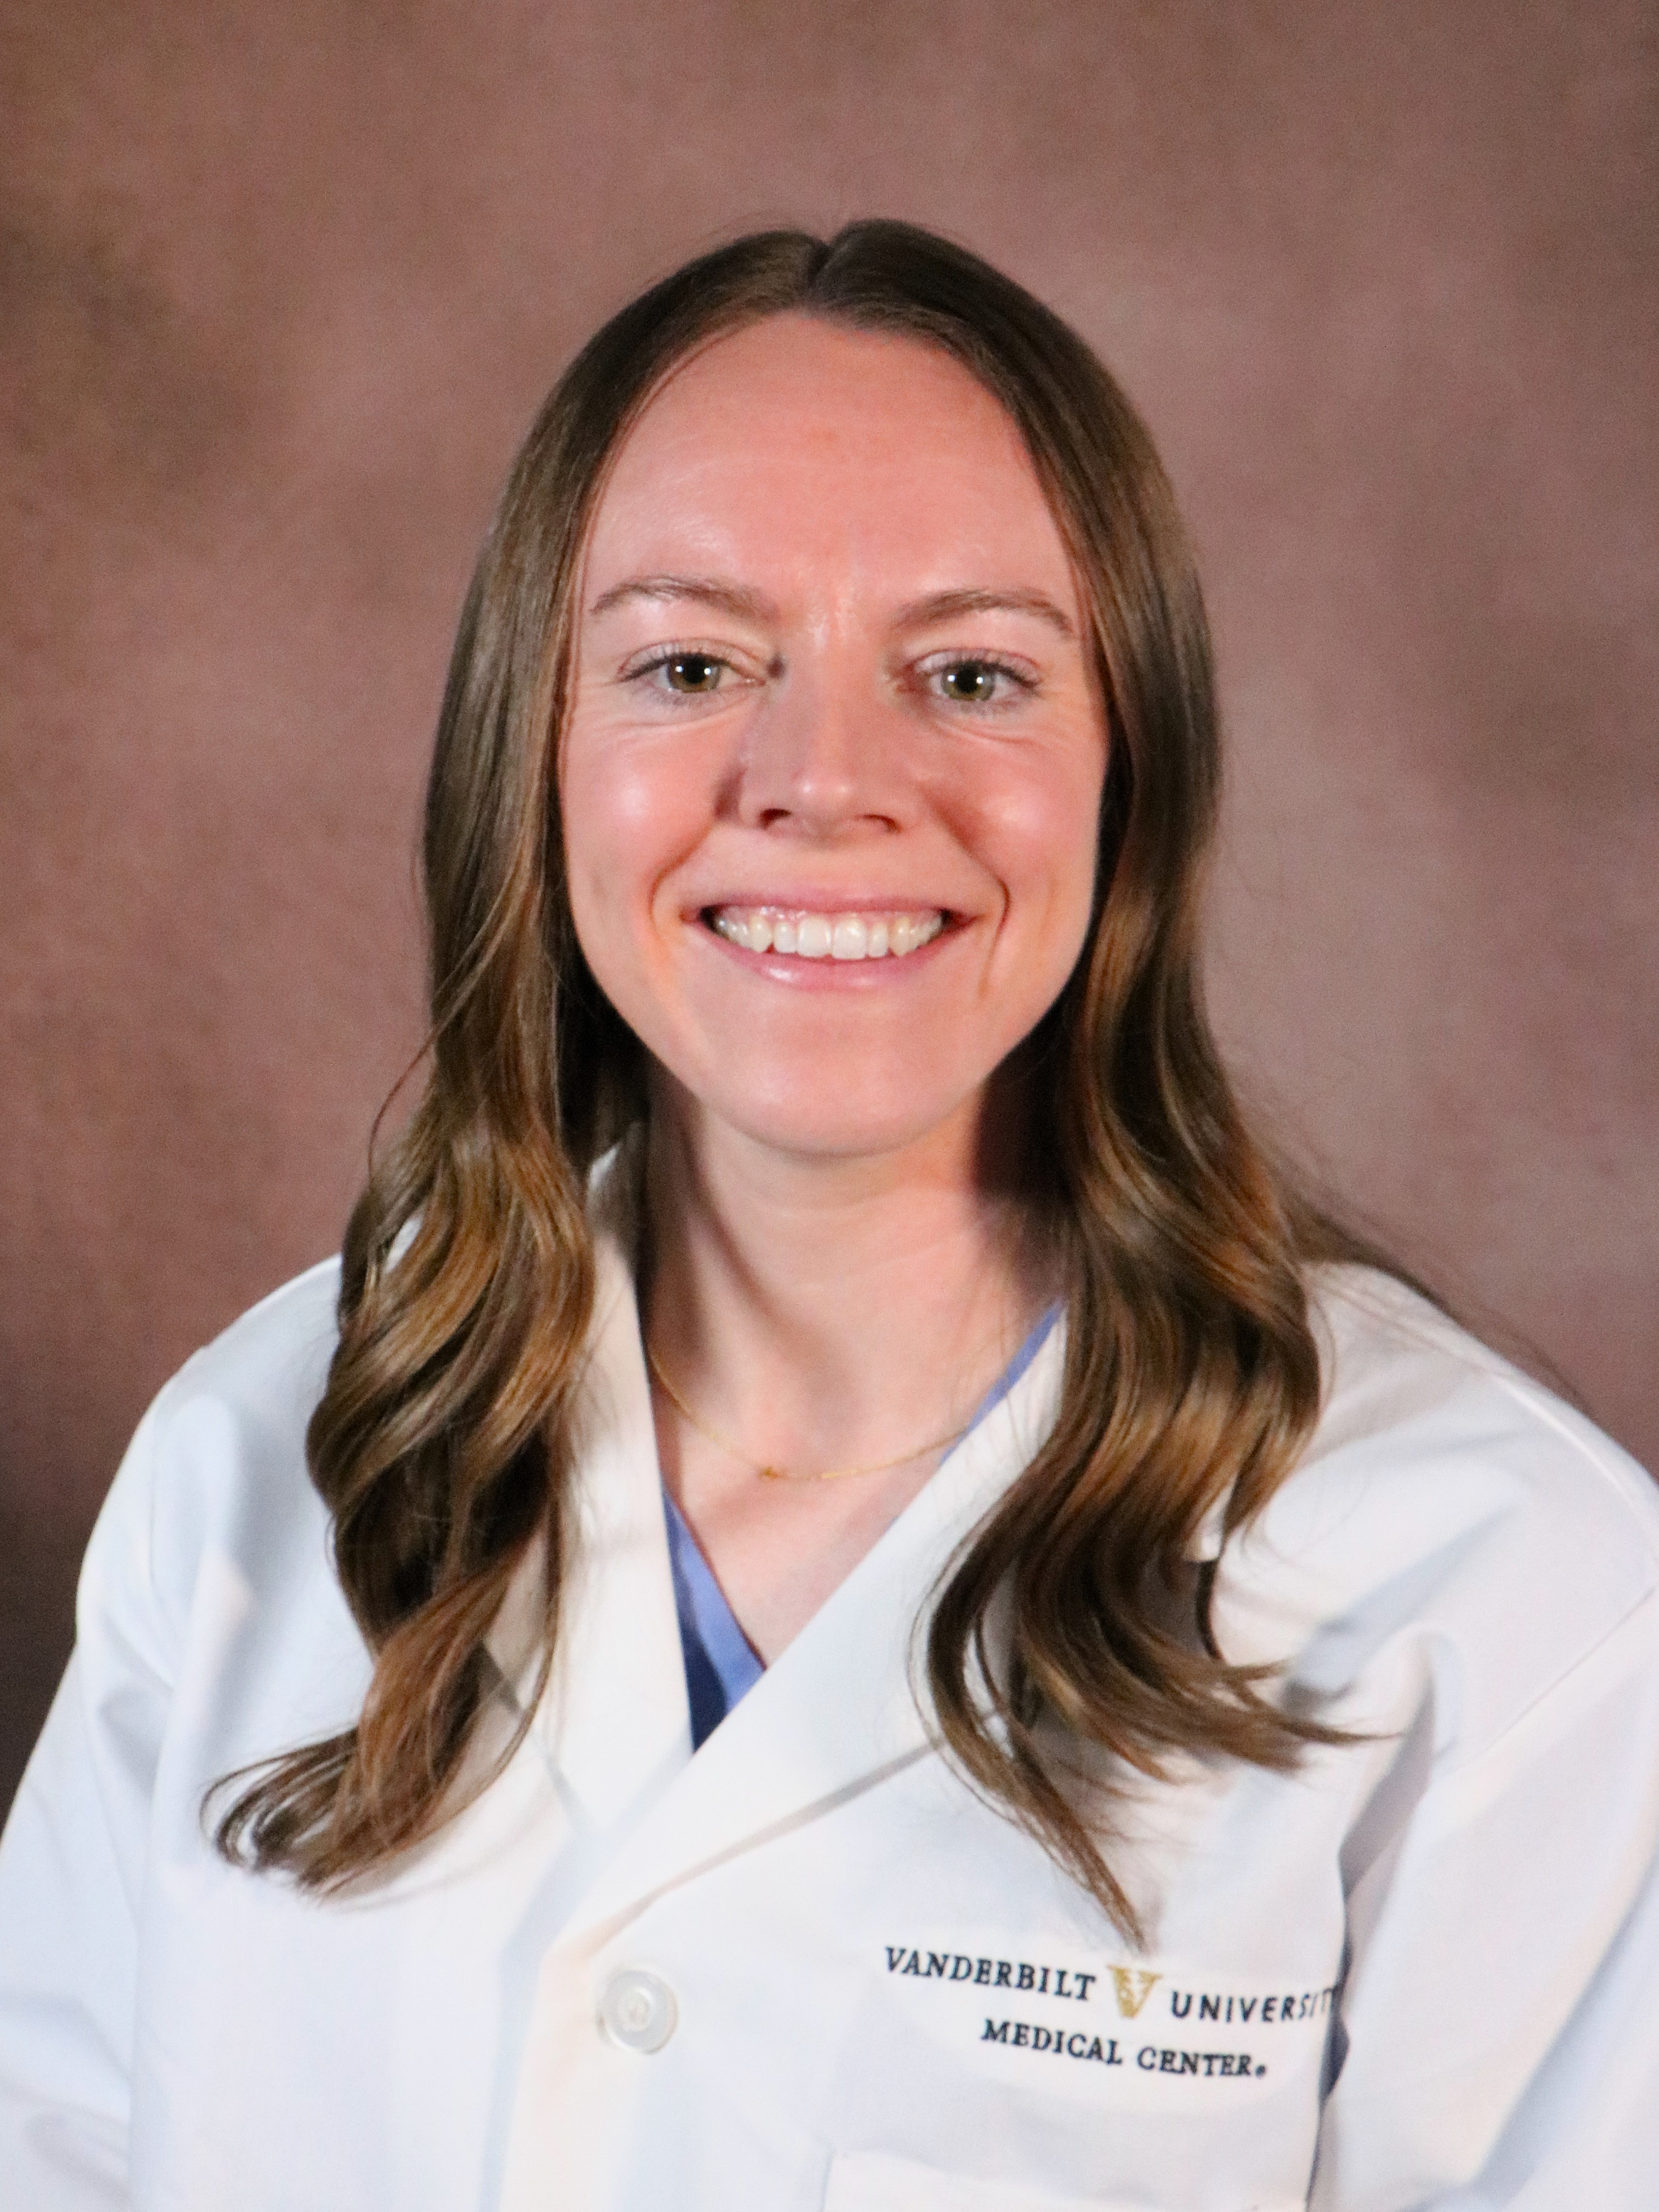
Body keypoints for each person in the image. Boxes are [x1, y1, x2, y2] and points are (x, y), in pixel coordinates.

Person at [1, 221, 1655, 2212]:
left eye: (969, 674)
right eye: (690, 664)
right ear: (536, 752)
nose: (822, 781)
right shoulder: (251, 1465)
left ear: (1130, 772)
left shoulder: (1504, 1598)